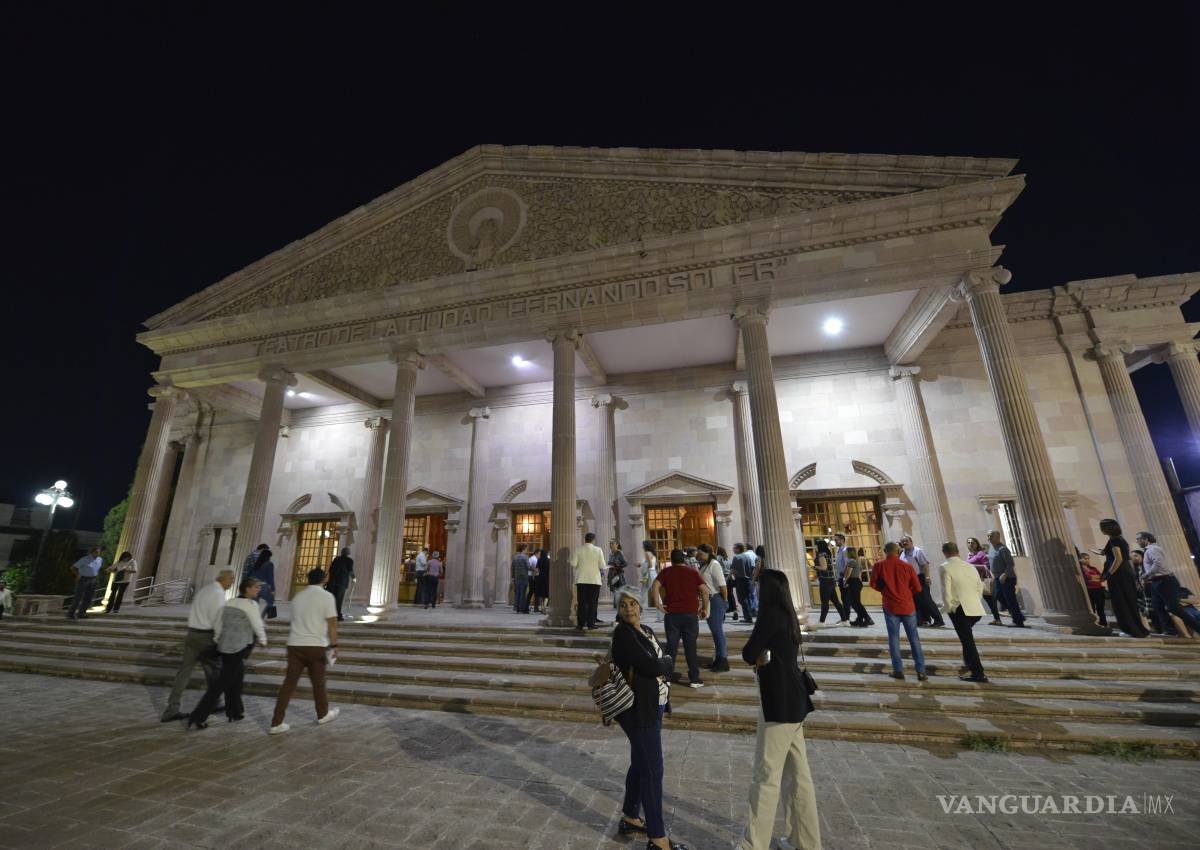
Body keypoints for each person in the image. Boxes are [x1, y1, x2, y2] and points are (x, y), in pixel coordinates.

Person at [736, 568, 820, 850]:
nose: (756, 591)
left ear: (767, 590)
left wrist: (757, 657)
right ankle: (805, 841)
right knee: (798, 775)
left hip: (779, 702)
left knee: (766, 775)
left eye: (759, 587)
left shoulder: (770, 615)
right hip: (794, 700)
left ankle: (753, 845)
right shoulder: (788, 615)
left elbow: (748, 652)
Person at [608, 586, 689, 850]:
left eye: (633, 604)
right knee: (653, 770)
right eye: (624, 606)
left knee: (640, 762)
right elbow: (657, 664)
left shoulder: (647, 631)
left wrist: (662, 663)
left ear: (641, 606)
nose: (629, 609)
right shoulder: (623, 634)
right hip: (636, 709)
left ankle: (631, 816)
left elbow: (663, 659)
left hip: (654, 704)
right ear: (618, 611)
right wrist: (663, 664)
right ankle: (657, 837)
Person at [187, 575, 268, 729]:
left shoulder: (229, 602)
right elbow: (257, 624)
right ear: (247, 588)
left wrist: (218, 638)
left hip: (225, 646)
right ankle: (199, 715)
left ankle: (235, 711)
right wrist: (263, 640)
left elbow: (219, 622)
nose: (258, 590)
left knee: (237, 677)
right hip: (238, 648)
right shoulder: (251, 605)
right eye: (256, 587)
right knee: (221, 683)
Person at [270, 568, 340, 734]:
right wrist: (335, 645)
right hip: (315, 645)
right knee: (319, 682)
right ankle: (322, 713)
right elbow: (332, 624)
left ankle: (276, 722)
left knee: (288, 684)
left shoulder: (298, 597)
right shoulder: (327, 596)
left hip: (295, 644)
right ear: (324, 579)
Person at [161, 569, 234, 722]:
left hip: (192, 634)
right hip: (206, 637)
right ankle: (211, 704)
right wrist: (219, 639)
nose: (232, 583)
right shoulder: (218, 594)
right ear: (224, 579)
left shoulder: (205, 590)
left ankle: (171, 709)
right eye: (231, 580)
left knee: (184, 672)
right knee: (215, 671)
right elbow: (218, 619)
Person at [870, 542, 927, 681]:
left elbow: (873, 584)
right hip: (907, 605)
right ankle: (921, 671)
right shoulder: (907, 566)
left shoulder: (879, 565)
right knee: (914, 639)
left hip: (890, 606)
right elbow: (918, 588)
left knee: (894, 639)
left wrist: (884, 590)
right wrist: (907, 593)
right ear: (898, 551)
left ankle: (898, 670)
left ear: (885, 551)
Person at [652, 549, 708, 689]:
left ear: (672, 559)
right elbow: (705, 591)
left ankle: (668, 677)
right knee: (691, 647)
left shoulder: (666, 572)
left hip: (672, 614)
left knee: (671, 647)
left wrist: (658, 604)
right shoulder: (693, 572)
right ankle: (694, 678)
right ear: (683, 559)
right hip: (690, 613)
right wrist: (705, 607)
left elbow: (655, 586)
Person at [940, 542, 987, 682]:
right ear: (958, 551)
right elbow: (980, 587)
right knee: (966, 638)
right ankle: (969, 664)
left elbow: (946, 591)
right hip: (974, 607)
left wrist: (948, 608)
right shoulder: (970, 566)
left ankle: (978, 672)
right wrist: (975, 601)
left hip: (959, 609)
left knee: (967, 640)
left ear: (945, 553)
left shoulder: (945, 567)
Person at [1098, 519, 1149, 638]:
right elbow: (1125, 556)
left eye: (1102, 527)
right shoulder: (1121, 539)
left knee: (1121, 602)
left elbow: (1118, 558)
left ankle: (1130, 630)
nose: (1101, 529)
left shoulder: (1113, 539)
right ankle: (1138, 629)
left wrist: (1108, 574)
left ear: (1107, 528)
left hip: (1119, 573)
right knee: (1129, 600)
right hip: (1126, 571)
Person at [1137, 531, 1192, 636]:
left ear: (1146, 539)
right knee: (1157, 606)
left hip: (1164, 581)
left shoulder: (1152, 549)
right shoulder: (1149, 550)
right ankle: (1170, 631)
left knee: (1174, 608)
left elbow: (1158, 563)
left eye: (1139, 539)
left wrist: (1146, 575)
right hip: (1156, 581)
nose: (1137, 541)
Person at [696, 544, 729, 672]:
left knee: (717, 631)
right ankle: (718, 659)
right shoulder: (705, 565)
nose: (699, 556)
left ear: (708, 553)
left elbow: (722, 585)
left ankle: (723, 660)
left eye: (701, 553)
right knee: (715, 631)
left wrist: (725, 601)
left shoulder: (714, 565)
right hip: (708, 600)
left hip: (715, 600)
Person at [900, 535, 944, 628]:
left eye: (906, 541)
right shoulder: (903, 553)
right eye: (903, 542)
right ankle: (922, 620)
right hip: (909, 580)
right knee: (916, 601)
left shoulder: (917, 551)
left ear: (911, 542)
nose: (904, 543)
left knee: (926, 600)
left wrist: (927, 577)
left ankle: (938, 620)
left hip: (920, 578)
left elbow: (925, 564)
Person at [987, 530, 1027, 628]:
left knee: (1010, 599)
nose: (989, 538)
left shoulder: (1003, 549)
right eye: (988, 536)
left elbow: (1010, 563)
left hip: (1007, 578)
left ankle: (1018, 621)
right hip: (997, 577)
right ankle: (1018, 615)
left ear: (997, 537)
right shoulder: (991, 548)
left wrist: (1005, 574)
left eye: (991, 536)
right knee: (999, 596)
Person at [571, 532, 606, 630]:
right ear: (593, 540)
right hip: (594, 580)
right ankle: (591, 624)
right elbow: (602, 565)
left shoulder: (578, 549)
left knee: (582, 602)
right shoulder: (598, 550)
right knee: (592, 602)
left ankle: (581, 624)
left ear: (584, 539)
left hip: (581, 579)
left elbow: (573, 564)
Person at [966, 537, 1002, 625]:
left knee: (990, 600)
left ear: (976, 544)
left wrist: (973, 566)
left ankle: (997, 619)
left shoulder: (980, 553)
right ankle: (972, 617)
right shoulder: (970, 555)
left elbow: (986, 566)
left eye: (972, 542)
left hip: (982, 580)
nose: (970, 544)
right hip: (973, 580)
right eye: (969, 542)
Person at [814, 539, 848, 625]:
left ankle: (821, 622)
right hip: (830, 580)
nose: (815, 547)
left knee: (825, 603)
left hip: (825, 581)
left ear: (819, 546)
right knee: (836, 602)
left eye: (816, 545)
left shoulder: (821, 555)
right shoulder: (827, 554)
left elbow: (824, 567)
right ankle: (844, 620)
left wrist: (814, 567)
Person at [66, 547, 104, 619]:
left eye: (99, 552)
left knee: (88, 598)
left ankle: (82, 613)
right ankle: (71, 613)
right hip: (83, 579)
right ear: (92, 552)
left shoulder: (100, 559)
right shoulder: (85, 559)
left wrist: (97, 578)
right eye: (96, 552)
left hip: (93, 579)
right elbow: (73, 568)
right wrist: (77, 575)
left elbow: (97, 569)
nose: (98, 553)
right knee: (78, 597)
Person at [841, 547, 873, 627]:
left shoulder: (851, 561)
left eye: (846, 552)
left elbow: (848, 573)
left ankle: (867, 618)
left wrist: (844, 581)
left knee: (856, 602)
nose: (845, 554)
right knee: (855, 602)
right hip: (857, 581)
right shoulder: (857, 560)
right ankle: (860, 618)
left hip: (853, 582)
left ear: (849, 553)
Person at [1079, 552, 1108, 628]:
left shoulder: (1093, 568)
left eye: (1088, 558)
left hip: (1098, 590)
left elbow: (1101, 578)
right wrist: (1095, 578)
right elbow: (1086, 579)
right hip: (1089, 590)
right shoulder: (1080, 569)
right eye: (1085, 558)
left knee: (1100, 608)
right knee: (1091, 608)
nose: (1087, 560)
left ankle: (1103, 623)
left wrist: (1093, 578)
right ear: (1079, 559)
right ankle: (1094, 623)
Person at [327, 547, 354, 621]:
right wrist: (354, 578)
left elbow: (330, 570)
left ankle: (331, 614)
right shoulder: (349, 560)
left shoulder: (336, 559)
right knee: (339, 599)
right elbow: (350, 571)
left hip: (332, 582)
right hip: (341, 582)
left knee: (333, 599)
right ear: (348, 553)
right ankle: (338, 615)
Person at [249, 548, 277, 619]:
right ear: (268, 557)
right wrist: (273, 590)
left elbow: (251, 575)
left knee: (255, 605)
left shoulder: (256, 564)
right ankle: (261, 618)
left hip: (253, 586)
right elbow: (270, 577)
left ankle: (254, 619)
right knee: (270, 602)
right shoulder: (269, 564)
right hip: (263, 586)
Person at [731, 543, 756, 624]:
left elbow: (733, 569)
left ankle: (748, 617)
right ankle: (748, 616)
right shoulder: (747, 556)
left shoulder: (736, 557)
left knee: (742, 599)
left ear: (738, 549)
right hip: (748, 580)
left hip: (740, 580)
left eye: (734, 548)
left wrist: (729, 578)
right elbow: (753, 567)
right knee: (747, 598)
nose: (733, 549)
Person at [639, 540, 659, 616]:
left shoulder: (647, 553)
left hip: (649, 574)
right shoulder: (653, 554)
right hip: (652, 573)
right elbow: (653, 565)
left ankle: (639, 610)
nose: (642, 547)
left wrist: (644, 569)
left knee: (644, 592)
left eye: (643, 545)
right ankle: (660, 613)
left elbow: (650, 565)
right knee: (646, 592)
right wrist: (641, 564)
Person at [608, 540, 628, 609]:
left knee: (620, 589)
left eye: (612, 543)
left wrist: (617, 567)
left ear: (617, 545)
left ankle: (621, 605)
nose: (611, 545)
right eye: (610, 544)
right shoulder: (611, 553)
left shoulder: (619, 552)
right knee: (615, 590)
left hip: (619, 574)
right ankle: (616, 605)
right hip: (612, 574)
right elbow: (610, 563)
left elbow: (625, 563)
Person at [512, 544, 531, 613]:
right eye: (526, 549)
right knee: (523, 593)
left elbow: (512, 568)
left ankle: (516, 608)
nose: (527, 550)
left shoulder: (515, 557)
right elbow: (528, 567)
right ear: (524, 549)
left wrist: (513, 576)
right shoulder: (525, 557)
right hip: (524, 577)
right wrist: (534, 569)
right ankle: (521, 608)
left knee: (517, 593)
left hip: (517, 577)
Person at [534, 548, 551, 613]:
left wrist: (535, 575)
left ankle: (541, 607)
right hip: (547, 578)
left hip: (540, 578)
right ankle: (544, 606)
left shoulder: (539, 560)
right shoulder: (548, 560)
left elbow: (536, 569)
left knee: (540, 593)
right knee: (546, 593)